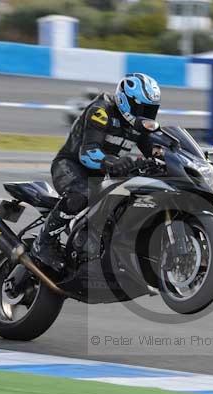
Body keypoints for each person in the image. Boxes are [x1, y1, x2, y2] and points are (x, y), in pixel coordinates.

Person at [32, 73, 161, 271]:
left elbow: (155, 149)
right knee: (81, 194)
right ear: (125, 101)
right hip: (71, 165)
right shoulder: (101, 111)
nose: (146, 114)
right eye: (142, 109)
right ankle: (43, 243)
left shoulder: (139, 125)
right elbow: (88, 153)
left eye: (150, 110)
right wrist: (112, 162)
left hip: (103, 174)